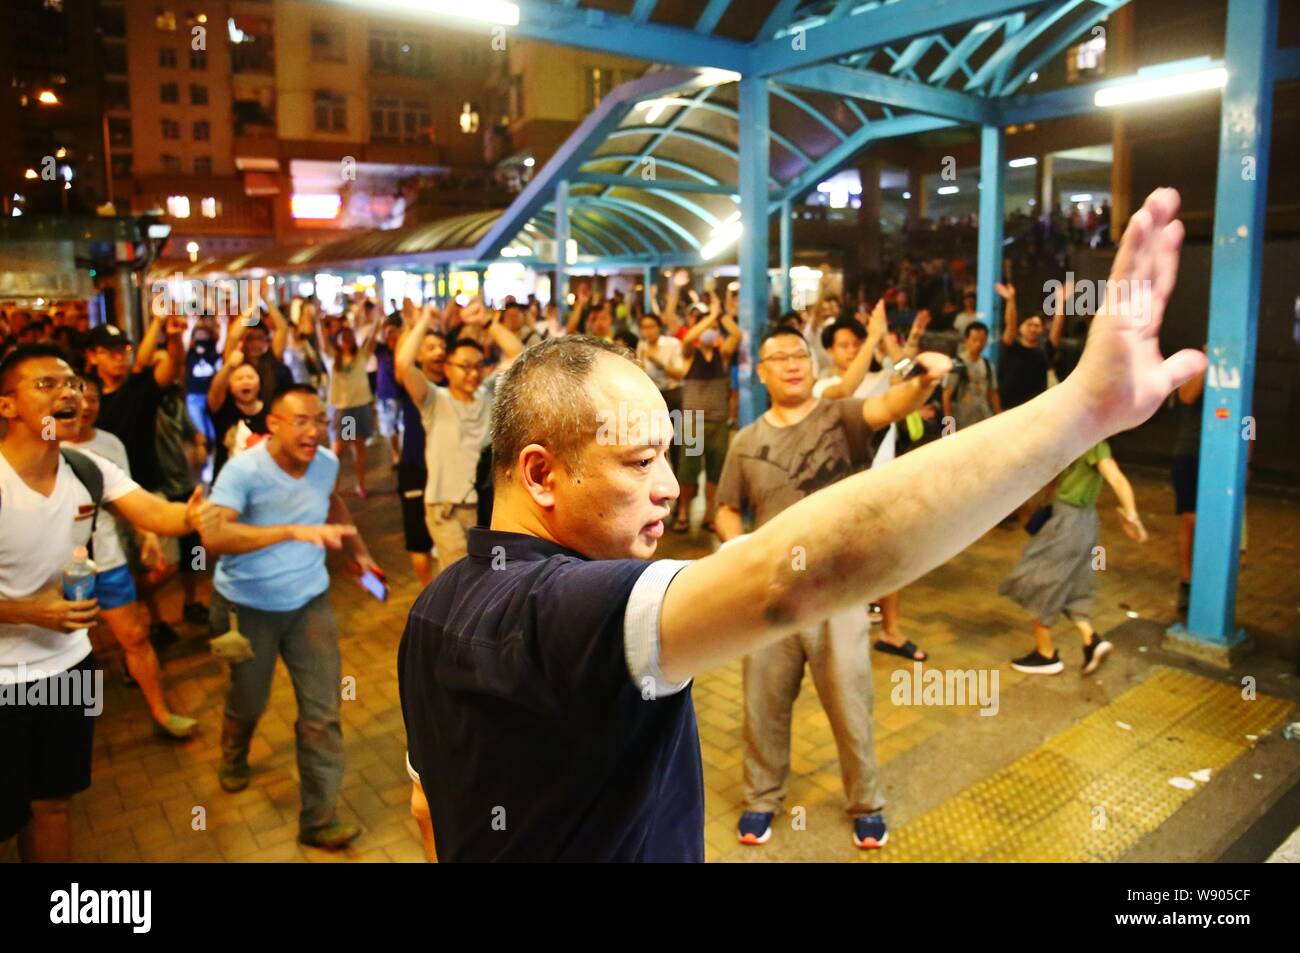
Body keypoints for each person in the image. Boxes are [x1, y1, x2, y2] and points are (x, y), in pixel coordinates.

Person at [397, 188, 1204, 862]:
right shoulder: (570, 611)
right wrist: (1080, 410)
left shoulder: (428, 619)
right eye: (639, 463)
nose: (671, 489)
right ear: (540, 472)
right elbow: (796, 574)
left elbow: (429, 812)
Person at [716, 321, 947, 849]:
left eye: (801, 354)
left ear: (814, 365)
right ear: (761, 371)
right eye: (780, 357)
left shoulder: (840, 418)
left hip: (839, 594)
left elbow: (890, 406)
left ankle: (866, 803)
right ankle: (760, 799)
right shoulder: (746, 442)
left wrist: (925, 382)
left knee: (851, 705)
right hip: (772, 601)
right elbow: (728, 510)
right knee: (762, 706)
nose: (793, 363)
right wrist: (739, 547)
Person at [0, 344, 218, 861]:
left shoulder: (86, 466)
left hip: (67, 665)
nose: (69, 392)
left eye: (73, 382)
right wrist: (30, 611)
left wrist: (189, 518)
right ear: (6, 406)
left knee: (53, 803)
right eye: (47, 384)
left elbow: (152, 512)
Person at [199, 384, 381, 850]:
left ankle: (319, 820)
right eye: (301, 420)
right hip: (246, 606)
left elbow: (331, 500)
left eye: (320, 420)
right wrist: (289, 531)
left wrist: (357, 551)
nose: (314, 430)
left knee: (322, 714)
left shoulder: (325, 463)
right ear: (273, 424)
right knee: (250, 699)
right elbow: (213, 537)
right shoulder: (243, 472)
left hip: (309, 604)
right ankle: (234, 753)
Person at [66, 376, 199, 738]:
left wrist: (163, 527)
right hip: (59, 571)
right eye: (74, 395)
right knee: (69, 646)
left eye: (91, 398)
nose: (84, 404)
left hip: (107, 559)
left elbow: (133, 499)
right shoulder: (31, 456)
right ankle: (71, 721)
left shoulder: (106, 447)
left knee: (135, 636)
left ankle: (160, 713)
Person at [395, 299, 523, 576]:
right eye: (464, 366)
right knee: (457, 577)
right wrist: (422, 323)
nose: (472, 373)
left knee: (487, 574)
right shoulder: (433, 399)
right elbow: (404, 364)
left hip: (486, 505)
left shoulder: (488, 394)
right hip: (447, 510)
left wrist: (487, 321)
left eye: (478, 366)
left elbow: (517, 352)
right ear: (448, 368)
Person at [1000, 441, 1148, 674]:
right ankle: (1092, 641)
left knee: (1039, 580)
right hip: (1082, 522)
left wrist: (1132, 516)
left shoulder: (1094, 444)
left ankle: (1046, 654)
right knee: (1072, 585)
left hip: (1069, 523)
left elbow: (1116, 477)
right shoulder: (1078, 440)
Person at [85, 315, 185, 494]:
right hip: (102, 489)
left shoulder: (139, 386)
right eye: (110, 351)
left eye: (124, 350)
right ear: (92, 356)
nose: (119, 357)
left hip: (146, 486)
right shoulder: (86, 395)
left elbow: (174, 365)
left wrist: (174, 336)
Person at [672, 291, 741, 534]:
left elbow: (737, 334)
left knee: (715, 470)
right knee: (687, 470)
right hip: (692, 420)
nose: (709, 329)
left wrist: (719, 315)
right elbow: (688, 338)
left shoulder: (722, 355)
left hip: (718, 420)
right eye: (705, 325)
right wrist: (709, 316)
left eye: (712, 326)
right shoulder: (692, 354)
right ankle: (683, 512)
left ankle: (710, 513)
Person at [395, 307, 447, 586]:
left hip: (449, 473)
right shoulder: (414, 383)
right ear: (419, 355)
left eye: (442, 346)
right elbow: (402, 364)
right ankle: (429, 593)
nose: (438, 351)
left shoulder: (458, 384)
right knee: (420, 542)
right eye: (430, 347)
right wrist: (419, 323)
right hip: (415, 468)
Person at [319, 306, 380, 498]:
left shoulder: (360, 356)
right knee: (339, 449)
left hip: (360, 407)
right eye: (342, 337)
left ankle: (360, 484)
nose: (346, 340)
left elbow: (372, 339)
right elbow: (322, 342)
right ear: (337, 341)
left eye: (349, 337)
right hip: (344, 410)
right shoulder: (332, 358)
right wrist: (318, 321)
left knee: (359, 448)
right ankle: (332, 488)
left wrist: (378, 321)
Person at [1171, 362, 1205, 614]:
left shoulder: (1240, 371)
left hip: (1222, 461)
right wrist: (1207, 364)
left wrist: (1248, 458)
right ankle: (1187, 581)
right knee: (1190, 518)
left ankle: (1206, 581)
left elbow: (1249, 420)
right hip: (1190, 454)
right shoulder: (1194, 368)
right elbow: (1187, 396)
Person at [206, 351, 268, 478]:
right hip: (227, 484)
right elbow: (215, 392)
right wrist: (229, 366)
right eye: (239, 378)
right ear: (229, 386)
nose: (245, 382)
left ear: (259, 383)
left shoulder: (272, 412)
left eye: (250, 377)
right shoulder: (223, 410)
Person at [942, 321, 1003, 431]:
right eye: (974, 340)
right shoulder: (956, 364)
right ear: (966, 340)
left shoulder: (987, 364)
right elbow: (946, 395)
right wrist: (949, 425)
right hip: (962, 420)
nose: (978, 344)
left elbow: (992, 392)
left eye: (982, 340)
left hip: (984, 418)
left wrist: (999, 414)